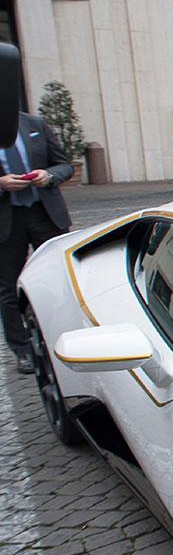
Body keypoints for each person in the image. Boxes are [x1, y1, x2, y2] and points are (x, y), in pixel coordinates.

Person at [0, 112, 73, 373]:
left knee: (61, 279)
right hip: (7, 221)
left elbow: (64, 165)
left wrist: (49, 175)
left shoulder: (34, 124)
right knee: (8, 289)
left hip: (45, 213)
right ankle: (22, 349)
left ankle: (67, 337)